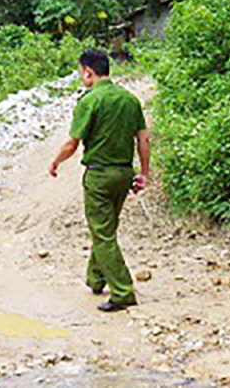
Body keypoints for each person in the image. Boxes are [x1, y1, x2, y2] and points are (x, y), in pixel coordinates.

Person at [49, 50, 150, 313]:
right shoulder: (130, 100)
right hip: (124, 174)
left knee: (102, 233)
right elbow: (143, 140)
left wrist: (56, 161)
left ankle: (123, 291)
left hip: (99, 175)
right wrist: (145, 173)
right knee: (106, 227)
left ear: (88, 72)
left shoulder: (90, 100)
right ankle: (96, 278)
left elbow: (72, 143)